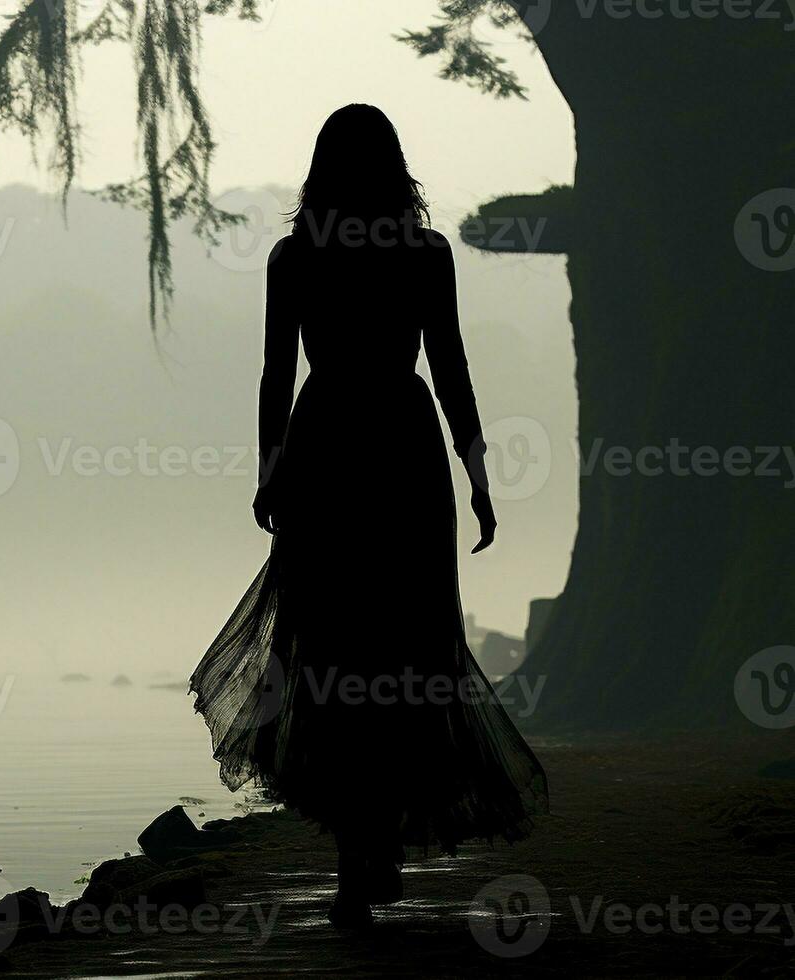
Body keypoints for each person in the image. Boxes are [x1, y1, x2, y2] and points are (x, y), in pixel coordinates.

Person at [190, 104, 549, 928]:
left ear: (320, 173)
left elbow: (274, 375)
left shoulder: (296, 258)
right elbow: (450, 366)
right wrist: (476, 471)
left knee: (330, 648)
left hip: (325, 450)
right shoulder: (423, 255)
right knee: (406, 646)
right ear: (397, 172)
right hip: (401, 450)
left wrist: (268, 471)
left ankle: (359, 851)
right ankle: (375, 841)